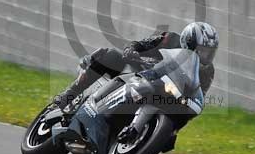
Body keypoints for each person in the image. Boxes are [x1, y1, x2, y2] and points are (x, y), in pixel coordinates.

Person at [53, 22, 219, 111]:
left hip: (165, 94)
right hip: (141, 72)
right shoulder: (169, 38)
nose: (205, 56)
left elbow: (199, 96)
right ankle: (68, 95)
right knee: (113, 56)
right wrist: (131, 51)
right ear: (188, 43)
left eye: (209, 52)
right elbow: (140, 44)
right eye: (201, 51)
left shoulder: (207, 71)